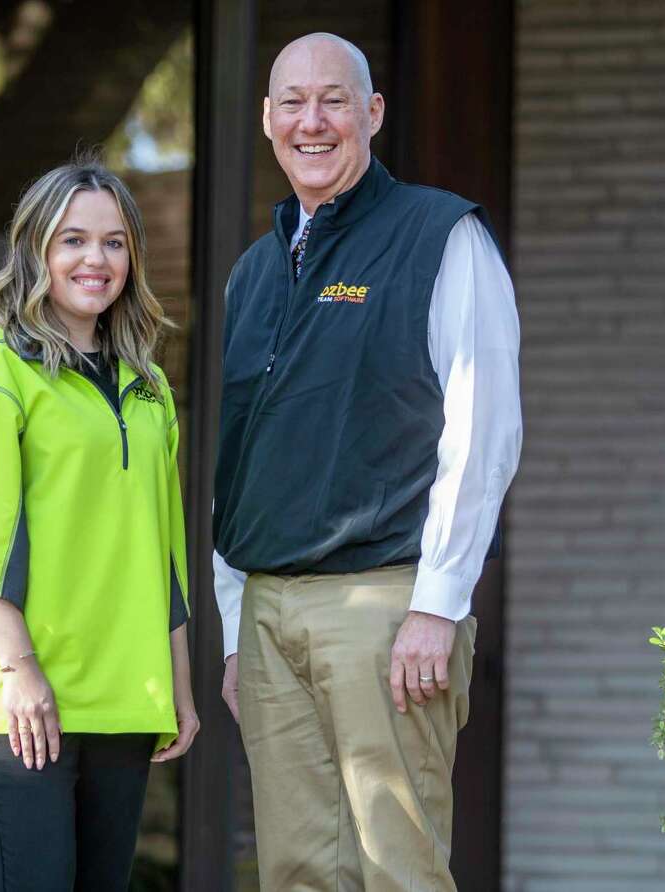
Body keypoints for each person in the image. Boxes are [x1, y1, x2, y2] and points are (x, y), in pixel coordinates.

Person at [212, 32, 522, 892]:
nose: (312, 121)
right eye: (292, 103)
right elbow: (238, 459)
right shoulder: (254, 272)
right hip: (269, 612)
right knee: (297, 871)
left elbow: (484, 428)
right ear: (268, 120)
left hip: (386, 605)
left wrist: (438, 603)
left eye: (335, 99)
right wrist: (237, 627)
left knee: (397, 869)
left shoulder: (438, 235)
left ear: (373, 113)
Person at [0, 158, 197, 892]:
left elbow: (164, 554)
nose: (94, 260)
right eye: (72, 240)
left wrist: (179, 688)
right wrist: (22, 670)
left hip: (126, 694)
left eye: (113, 243)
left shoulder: (149, 386)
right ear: (35, 249)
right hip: (24, 695)